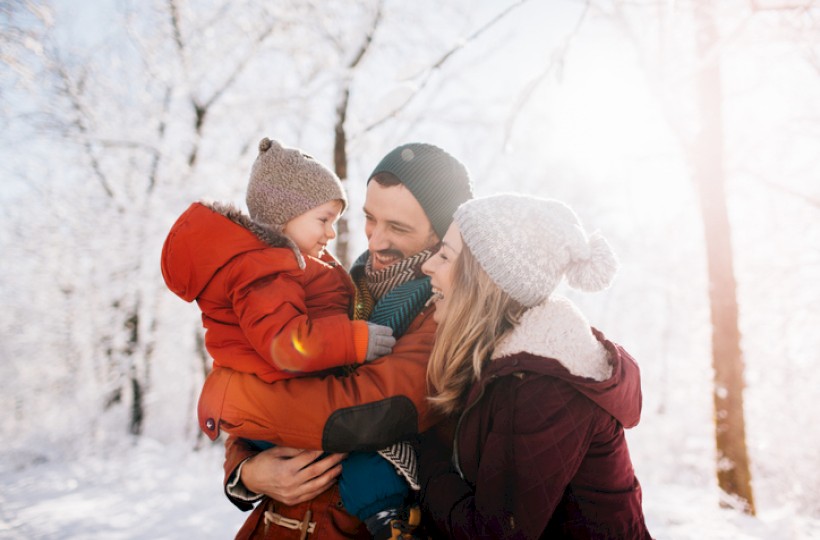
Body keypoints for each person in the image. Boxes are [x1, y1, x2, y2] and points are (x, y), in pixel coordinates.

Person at [196, 142, 474, 538]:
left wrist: (233, 397)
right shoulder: (334, 285)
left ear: (441, 232)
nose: (375, 241)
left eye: (398, 227)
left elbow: (368, 412)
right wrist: (249, 473)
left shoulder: (444, 313)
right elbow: (271, 372)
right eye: (369, 219)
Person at [160, 138, 413, 538]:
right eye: (324, 219)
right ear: (285, 216)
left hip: (289, 430)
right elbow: (285, 343)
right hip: (277, 443)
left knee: (362, 457)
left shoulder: (290, 267)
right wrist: (248, 474)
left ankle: (388, 518)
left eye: (398, 225)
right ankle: (388, 521)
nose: (332, 233)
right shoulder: (267, 271)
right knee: (361, 461)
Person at [418, 193, 652, 539]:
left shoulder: (542, 388)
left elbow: (494, 533)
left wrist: (419, 456)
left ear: (482, 280)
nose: (428, 265)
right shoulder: (500, 362)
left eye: (446, 255)